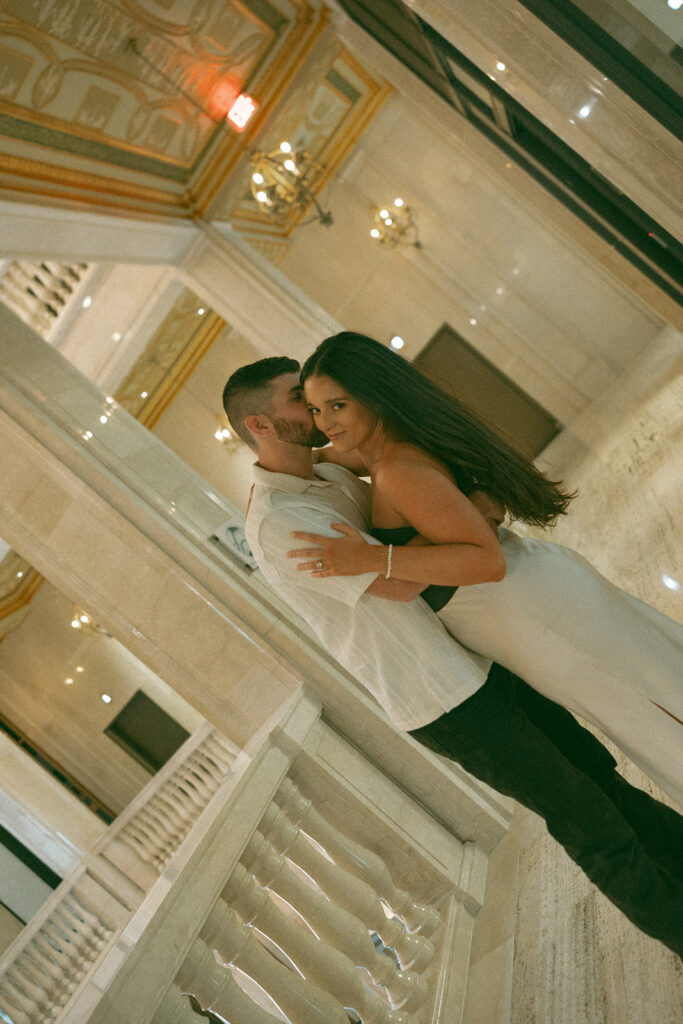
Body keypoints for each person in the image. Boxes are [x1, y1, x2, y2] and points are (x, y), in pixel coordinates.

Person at [222, 355, 683, 956]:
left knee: (600, 782)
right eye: (296, 400)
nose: (312, 411)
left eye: (324, 402)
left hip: (482, 658)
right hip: (443, 698)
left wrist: (465, 518)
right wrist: (472, 524)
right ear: (259, 424)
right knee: (586, 821)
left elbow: (407, 499)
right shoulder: (280, 524)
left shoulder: (328, 476)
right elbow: (402, 582)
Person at [292, 332, 683, 810]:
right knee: (659, 687)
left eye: (338, 406)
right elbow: (321, 456)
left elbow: (485, 561)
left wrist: (374, 558)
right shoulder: (383, 445)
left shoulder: (395, 468)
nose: (325, 423)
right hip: (537, 599)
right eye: (315, 411)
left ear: (372, 396)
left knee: (653, 711)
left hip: (534, 614)